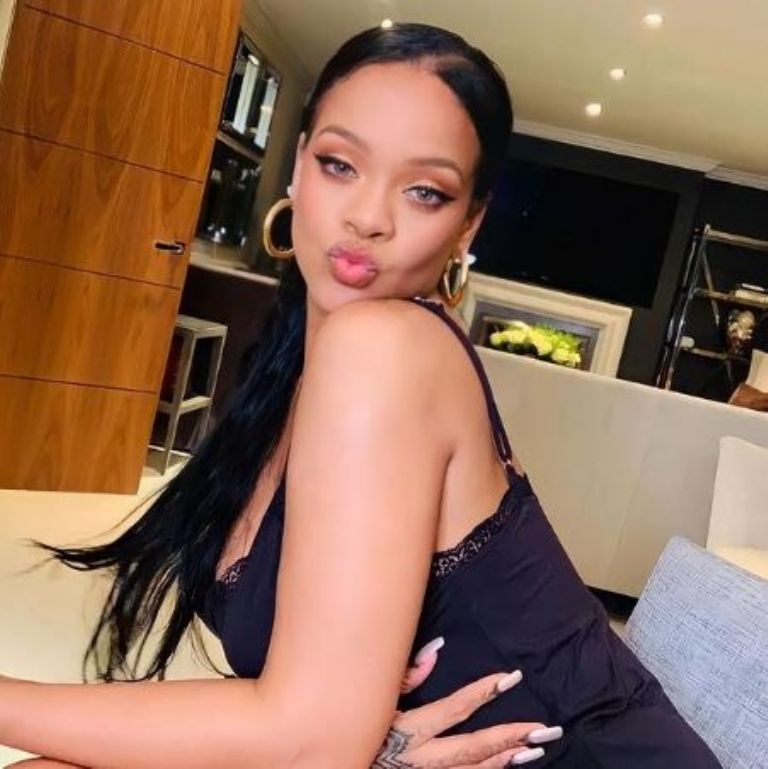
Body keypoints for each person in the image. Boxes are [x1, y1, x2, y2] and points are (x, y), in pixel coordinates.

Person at [0, 22, 721, 769]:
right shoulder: (291, 371)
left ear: (468, 223)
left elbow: (309, 739)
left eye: (424, 191)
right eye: (339, 164)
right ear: (297, 167)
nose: (369, 217)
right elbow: (308, 730)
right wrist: (367, 743)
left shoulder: (385, 350)